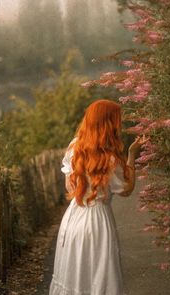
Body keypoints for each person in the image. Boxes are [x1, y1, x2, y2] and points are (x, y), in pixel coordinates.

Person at [49, 99, 147, 295]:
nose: (119, 125)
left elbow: (70, 185)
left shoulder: (74, 147)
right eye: (116, 120)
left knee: (74, 273)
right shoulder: (109, 158)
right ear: (108, 123)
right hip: (97, 222)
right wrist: (131, 156)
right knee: (98, 276)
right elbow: (126, 189)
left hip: (74, 216)